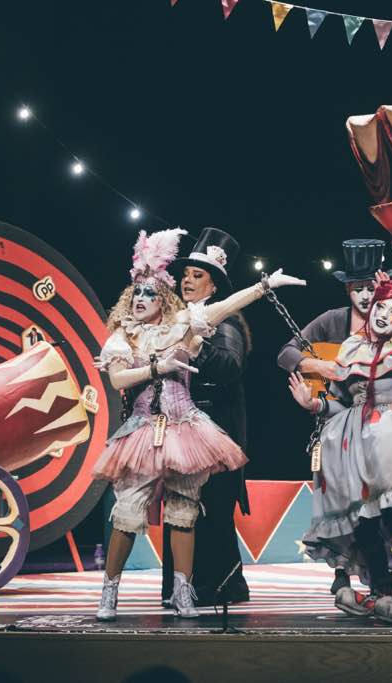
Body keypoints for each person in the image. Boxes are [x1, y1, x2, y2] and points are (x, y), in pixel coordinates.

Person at [94, 229, 305, 621]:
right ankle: (109, 593)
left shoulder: (183, 324)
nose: (142, 300)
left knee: (183, 512)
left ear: (164, 299)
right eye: (136, 294)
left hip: (185, 429)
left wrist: (264, 286)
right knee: (127, 513)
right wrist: (158, 366)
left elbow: (224, 308)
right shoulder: (124, 336)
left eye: (151, 294)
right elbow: (119, 381)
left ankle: (184, 593)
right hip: (143, 429)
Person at [285, 279, 392, 624]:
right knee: (362, 520)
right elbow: (342, 406)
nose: (384, 315)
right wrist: (314, 406)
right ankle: (383, 591)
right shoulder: (352, 347)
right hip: (353, 439)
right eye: (380, 307)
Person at [275, 237, 390, 596]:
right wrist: (322, 365)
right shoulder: (331, 322)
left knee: (379, 503)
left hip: (378, 426)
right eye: (358, 288)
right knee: (338, 502)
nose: (365, 295)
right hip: (334, 424)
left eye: (371, 287)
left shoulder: (390, 324)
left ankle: (381, 580)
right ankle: (340, 575)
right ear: (348, 290)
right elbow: (286, 355)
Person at [161, 227, 252, 608]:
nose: (187, 281)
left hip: (216, 432)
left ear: (215, 287)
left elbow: (228, 366)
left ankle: (220, 587)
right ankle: (181, 588)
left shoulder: (226, 325)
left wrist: (194, 346)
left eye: (197, 276)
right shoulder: (174, 321)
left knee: (211, 512)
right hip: (182, 430)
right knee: (180, 511)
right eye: (185, 275)